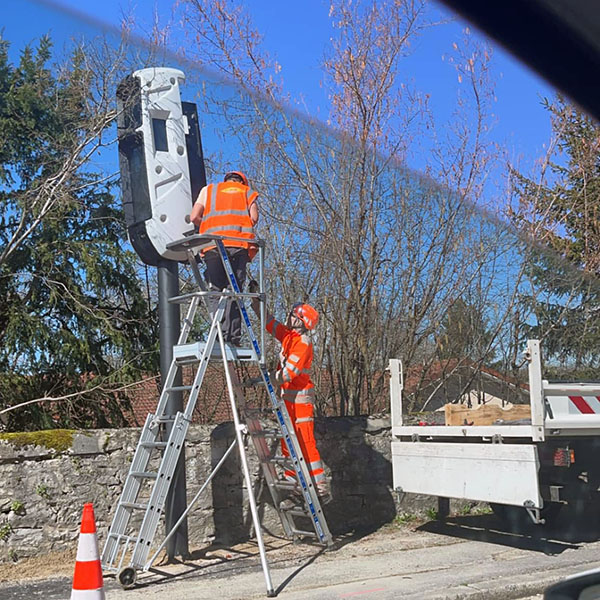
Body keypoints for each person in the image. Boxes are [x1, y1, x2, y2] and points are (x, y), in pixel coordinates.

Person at [249, 282, 331, 503]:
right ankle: (296, 484)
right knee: (288, 441)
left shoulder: (302, 343)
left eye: (293, 315)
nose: (289, 316)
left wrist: (270, 377)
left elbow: (290, 373)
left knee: (305, 441)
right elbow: (270, 323)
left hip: (301, 399)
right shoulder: (288, 336)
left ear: (301, 321)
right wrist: (257, 303)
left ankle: (320, 488)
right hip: (288, 399)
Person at [190, 171, 259, 346]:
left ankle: (217, 335)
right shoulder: (246, 192)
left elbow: (194, 217)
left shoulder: (209, 190)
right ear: (242, 182)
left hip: (213, 246)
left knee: (215, 290)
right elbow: (254, 218)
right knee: (234, 291)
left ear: (226, 180)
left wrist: (208, 227)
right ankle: (232, 338)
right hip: (238, 246)